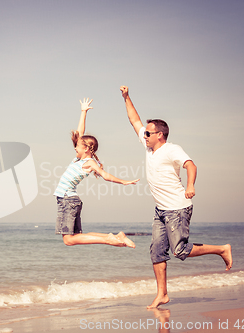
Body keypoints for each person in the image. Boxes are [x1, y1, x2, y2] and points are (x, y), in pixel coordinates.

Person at [120, 86, 233, 309]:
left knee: (179, 251)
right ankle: (162, 294)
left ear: (159, 135)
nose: (144, 135)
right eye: (145, 133)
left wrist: (190, 185)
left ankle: (222, 249)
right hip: (160, 210)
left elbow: (191, 165)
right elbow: (134, 120)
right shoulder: (148, 147)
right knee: (156, 252)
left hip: (178, 208)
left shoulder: (171, 149)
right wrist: (126, 97)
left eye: (148, 133)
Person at [55, 98, 139, 248]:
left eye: (78, 146)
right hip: (69, 200)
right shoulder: (78, 159)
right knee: (76, 237)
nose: (75, 147)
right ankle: (116, 236)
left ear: (86, 149)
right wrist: (83, 112)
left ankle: (108, 240)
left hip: (67, 201)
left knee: (68, 240)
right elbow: (79, 133)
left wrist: (124, 181)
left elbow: (105, 176)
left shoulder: (90, 163)